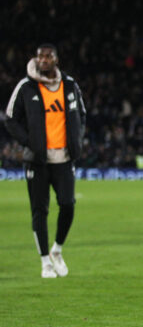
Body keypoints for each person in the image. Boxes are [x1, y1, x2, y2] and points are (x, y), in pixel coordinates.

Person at [5, 44, 86, 278]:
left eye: (48, 56)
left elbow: (81, 115)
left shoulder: (70, 85)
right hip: (37, 160)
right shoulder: (26, 86)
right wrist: (29, 142)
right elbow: (11, 119)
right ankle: (44, 262)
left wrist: (77, 142)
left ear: (56, 60)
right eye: (40, 56)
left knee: (68, 204)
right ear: (36, 59)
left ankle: (57, 250)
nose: (43, 60)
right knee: (39, 211)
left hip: (64, 158)